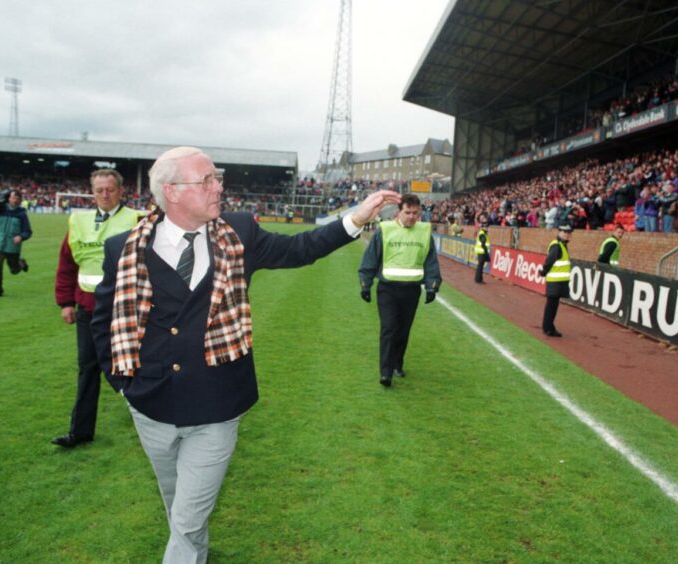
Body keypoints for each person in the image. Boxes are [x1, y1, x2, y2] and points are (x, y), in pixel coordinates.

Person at [91, 146, 399, 562]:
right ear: (172, 191)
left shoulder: (238, 232)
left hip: (217, 405)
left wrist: (356, 218)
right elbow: (103, 323)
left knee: (185, 521)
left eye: (217, 178)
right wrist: (124, 386)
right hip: (150, 407)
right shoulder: (121, 248)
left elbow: (300, 249)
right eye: (207, 181)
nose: (219, 187)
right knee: (180, 509)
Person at [51, 169, 142, 448]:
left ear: (120, 191)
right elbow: (67, 265)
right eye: (99, 190)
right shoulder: (78, 221)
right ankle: (80, 432)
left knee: (134, 367)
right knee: (87, 369)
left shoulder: (137, 219)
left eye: (110, 190)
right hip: (88, 310)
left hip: (126, 310)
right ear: (92, 192)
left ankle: (149, 421)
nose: (104, 195)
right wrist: (66, 302)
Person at [358, 193, 442, 387]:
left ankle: (397, 363)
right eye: (407, 212)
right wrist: (365, 284)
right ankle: (385, 372)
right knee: (389, 328)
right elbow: (371, 258)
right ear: (399, 212)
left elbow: (430, 261)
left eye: (415, 213)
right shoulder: (384, 230)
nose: (412, 216)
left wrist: (432, 286)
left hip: (411, 290)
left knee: (403, 331)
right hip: (387, 289)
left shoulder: (424, 232)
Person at [0, 189, 31, 298]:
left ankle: (21, 263)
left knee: (14, 271)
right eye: (12, 197)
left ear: (20, 200)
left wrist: (21, 236)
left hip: (13, 247)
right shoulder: (0, 210)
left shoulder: (21, 214)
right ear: (8, 198)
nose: (14, 200)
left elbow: (28, 231)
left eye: (17, 198)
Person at [540, 224, 572, 337]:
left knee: (552, 306)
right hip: (556, 281)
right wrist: (543, 271)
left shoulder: (561, 245)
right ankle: (548, 328)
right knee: (551, 306)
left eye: (568, 233)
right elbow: (549, 261)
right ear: (559, 232)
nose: (567, 234)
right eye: (564, 232)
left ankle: (548, 326)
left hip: (558, 281)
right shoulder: (557, 245)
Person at [473, 219, 490, 284]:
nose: (488, 228)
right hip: (482, 252)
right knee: (480, 266)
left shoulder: (482, 233)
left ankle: (478, 279)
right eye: (486, 227)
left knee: (480, 266)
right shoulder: (483, 234)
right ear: (484, 227)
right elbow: (483, 244)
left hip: (481, 252)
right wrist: (486, 254)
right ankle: (478, 280)